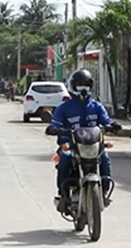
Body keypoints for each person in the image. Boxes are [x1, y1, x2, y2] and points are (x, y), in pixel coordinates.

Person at [45, 69, 121, 214]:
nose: (83, 87)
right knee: (65, 159)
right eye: (80, 84)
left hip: (92, 145)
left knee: (104, 158)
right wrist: (54, 128)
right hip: (71, 146)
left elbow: (106, 121)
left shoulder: (97, 106)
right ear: (73, 86)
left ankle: (103, 191)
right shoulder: (64, 107)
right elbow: (55, 123)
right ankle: (64, 195)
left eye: (86, 84)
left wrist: (112, 126)